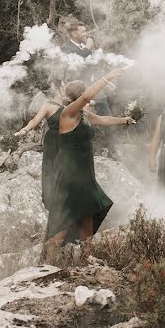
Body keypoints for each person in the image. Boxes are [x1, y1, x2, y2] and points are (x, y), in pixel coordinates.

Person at [44, 68, 135, 260]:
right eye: (85, 94)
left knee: (87, 214)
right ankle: (48, 261)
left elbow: (102, 119)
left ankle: (86, 257)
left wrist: (124, 121)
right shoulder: (67, 114)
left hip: (84, 171)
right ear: (77, 97)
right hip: (70, 173)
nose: (90, 99)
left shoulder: (83, 116)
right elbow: (86, 97)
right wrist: (106, 77)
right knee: (66, 219)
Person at [16, 82, 66, 210]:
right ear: (57, 89)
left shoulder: (68, 104)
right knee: (50, 169)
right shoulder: (48, 105)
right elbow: (35, 120)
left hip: (67, 140)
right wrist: (25, 130)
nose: (66, 88)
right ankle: (50, 203)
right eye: (64, 86)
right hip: (53, 140)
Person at [61, 21, 112, 116]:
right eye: (83, 31)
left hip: (92, 84)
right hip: (78, 89)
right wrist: (88, 48)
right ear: (74, 34)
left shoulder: (83, 46)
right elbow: (76, 63)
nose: (86, 34)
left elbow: (92, 66)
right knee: (87, 114)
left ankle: (111, 129)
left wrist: (105, 81)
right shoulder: (66, 48)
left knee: (104, 107)